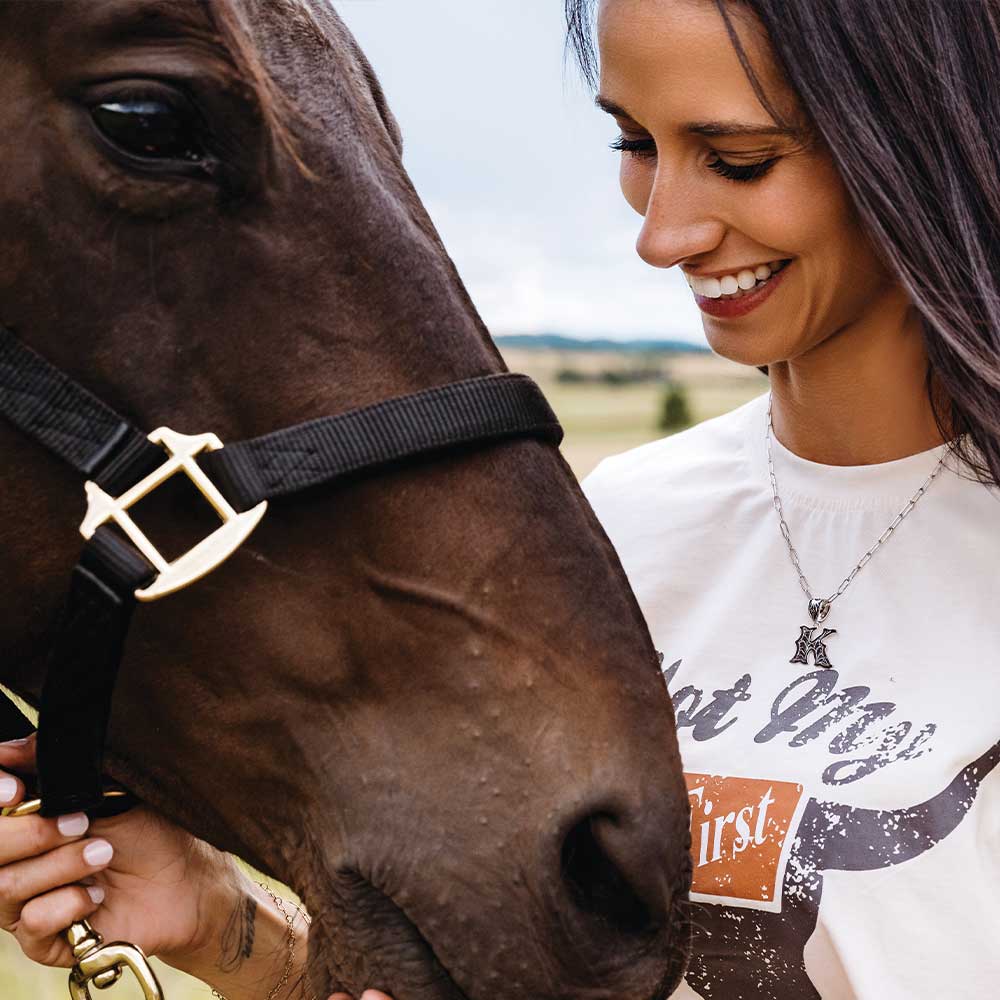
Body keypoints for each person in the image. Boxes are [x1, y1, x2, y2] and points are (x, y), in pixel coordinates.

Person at [3, 1, 999, 997]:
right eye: (635, 144)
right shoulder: (628, 521)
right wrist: (228, 928)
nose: (662, 236)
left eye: (738, 160)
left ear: (915, 140)